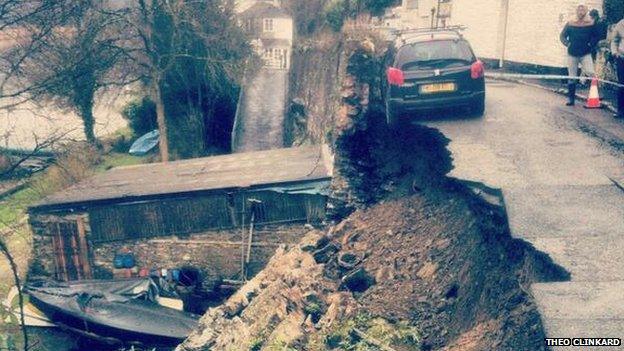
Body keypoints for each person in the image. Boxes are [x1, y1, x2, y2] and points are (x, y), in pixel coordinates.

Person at [560, 5, 598, 106]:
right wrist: (568, 44)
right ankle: (571, 100)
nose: (581, 11)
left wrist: (591, 44)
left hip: (585, 53)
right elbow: (562, 36)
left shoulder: (590, 23)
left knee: (591, 73)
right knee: (572, 77)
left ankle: (593, 97)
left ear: (586, 11)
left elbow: (595, 36)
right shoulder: (570, 23)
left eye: (583, 9)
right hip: (572, 54)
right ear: (577, 11)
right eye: (579, 9)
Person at [611, 17, 624, 118]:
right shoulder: (621, 24)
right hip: (622, 58)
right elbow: (614, 40)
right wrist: (615, 52)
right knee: (621, 84)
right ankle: (620, 111)